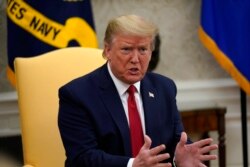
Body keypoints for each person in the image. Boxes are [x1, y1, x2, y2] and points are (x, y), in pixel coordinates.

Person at [58, 14, 218, 167]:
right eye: (126, 50)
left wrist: (178, 159)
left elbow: (177, 141)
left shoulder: (164, 88)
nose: (135, 59)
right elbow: (82, 158)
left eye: (142, 50)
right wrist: (132, 165)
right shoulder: (77, 95)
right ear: (107, 51)